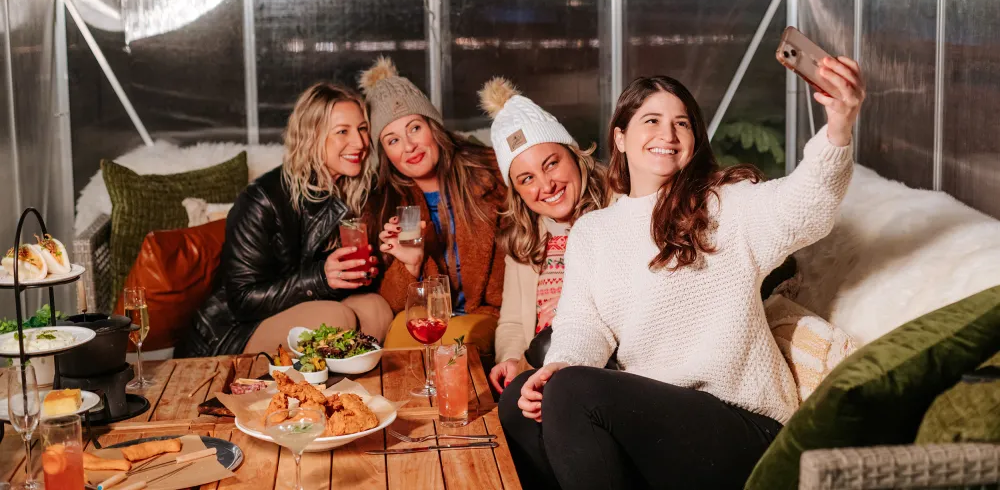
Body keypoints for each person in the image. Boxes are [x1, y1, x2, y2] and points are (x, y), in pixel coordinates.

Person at [499, 57, 865, 489]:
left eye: (682, 124)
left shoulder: (724, 205)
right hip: (658, 424)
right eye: (651, 120)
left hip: (742, 422)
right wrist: (557, 366)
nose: (668, 135)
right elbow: (584, 323)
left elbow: (807, 206)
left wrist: (839, 125)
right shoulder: (594, 231)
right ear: (620, 136)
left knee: (571, 392)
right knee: (521, 399)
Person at [179, 83, 395, 357]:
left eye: (362, 128)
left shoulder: (359, 191)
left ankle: (343, 396)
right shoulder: (263, 198)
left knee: (376, 309)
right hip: (233, 332)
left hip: (303, 308)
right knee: (336, 318)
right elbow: (242, 300)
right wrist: (320, 278)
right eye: (343, 131)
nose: (361, 143)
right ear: (311, 136)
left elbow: (349, 276)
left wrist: (381, 259)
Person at [359, 57, 506, 356]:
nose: (409, 146)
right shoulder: (384, 204)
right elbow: (392, 306)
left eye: (414, 128)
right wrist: (410, 264)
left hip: (489, 314)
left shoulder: (491, 174)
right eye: (393, 139)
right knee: (398, 354)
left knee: (453, 351)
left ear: (432, 125)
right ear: (385, 152)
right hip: (425, 319)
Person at [477, 78, 614, 393]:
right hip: (537, 369)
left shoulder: (618, 210)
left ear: (574, 156)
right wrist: (511, 359)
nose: (546, 185)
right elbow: (512, 323)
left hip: (598, 366)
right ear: (518, 191)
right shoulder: (525, 239)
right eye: (527, 178)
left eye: (551, 164)